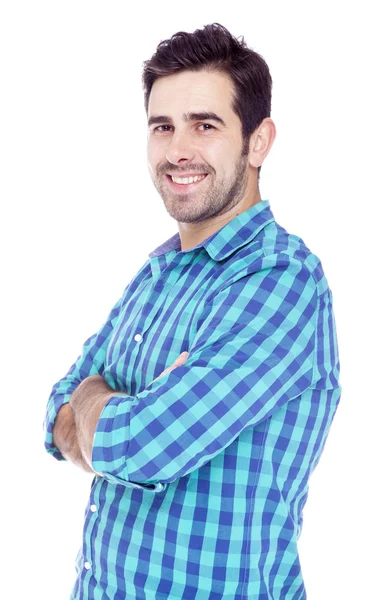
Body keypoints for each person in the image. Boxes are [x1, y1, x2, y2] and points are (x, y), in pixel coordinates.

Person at [44, 22, 342, 600]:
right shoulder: (157, 273)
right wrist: (104, 407)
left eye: (205, 125)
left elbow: (144, 445)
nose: (177, 150)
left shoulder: (282, 280)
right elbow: (56, 418)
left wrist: (103, 403)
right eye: (163, 127)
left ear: (258, 141)